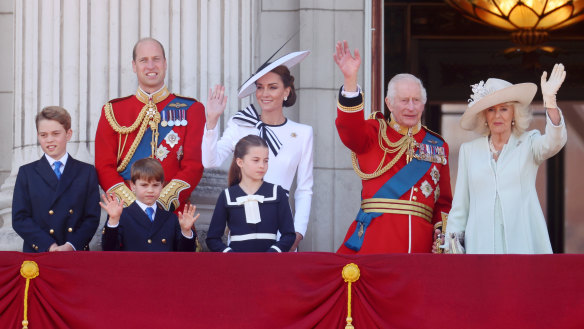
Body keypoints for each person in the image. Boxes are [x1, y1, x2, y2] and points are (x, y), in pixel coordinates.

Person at [333, 40, 453, 254]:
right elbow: (349, 128)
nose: (411, 107)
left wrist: (440, 236)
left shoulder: (437, 145)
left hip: (421, 248)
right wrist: (350, 80)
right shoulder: (373, 133)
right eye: (404, 100)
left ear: (424, 104)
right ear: (389, 103)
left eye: (416, 100)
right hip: (375, 243)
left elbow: (443, 203)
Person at [443, 64, 568, 254]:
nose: (497, 116)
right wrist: (453, 248)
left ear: (513, 114)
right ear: (484, 116)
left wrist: (550, 101)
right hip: (480, 246)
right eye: (491, 110)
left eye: (504, 109)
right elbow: (460, 206)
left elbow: (554, 142)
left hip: (522, 244)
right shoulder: (469, 151)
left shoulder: (529, 143)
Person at [203, 51, 313, 251]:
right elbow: (210, 161)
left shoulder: (303, 133)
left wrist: (297, 233)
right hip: (242, 224)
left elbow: (304, 189)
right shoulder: (240, 124)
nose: (264, 94)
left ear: (287, 91)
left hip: (282, 228)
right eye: (260, 87)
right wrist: (211, 121)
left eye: (273, 87)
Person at [95, 37, 205, 213]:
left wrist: (160, 204)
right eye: (143, 60)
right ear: (134, 66)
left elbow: (193, 166)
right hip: (126, 215)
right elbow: (104, 166)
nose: (151, 66)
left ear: (165, 63)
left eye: (156, 59)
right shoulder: (113, 111)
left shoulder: (192, 109)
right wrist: (134, 207)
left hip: (172, 216)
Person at [12, 106, 100, 252]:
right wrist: (49, 245)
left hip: (75, 253)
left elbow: (91, 217)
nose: (49, 140)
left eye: (55, 133)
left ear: (68, 134)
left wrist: (71, 245)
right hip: (40, 252)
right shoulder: (26, 173)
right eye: (43, 135)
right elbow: (20, 218)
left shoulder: (86, 172)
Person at [206, 135, 296, 252]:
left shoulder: (277, 192)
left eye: (266, 161)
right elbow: (212, 239)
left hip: (270, 266)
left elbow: (289, 235)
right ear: (240, 162)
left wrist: (273, 253)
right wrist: (231, 255)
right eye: (256, 160)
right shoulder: (227, 196)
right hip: (238, 266)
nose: (262, 166)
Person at [100, 158, 199, 251]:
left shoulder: (171, 218)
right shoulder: (122, 216)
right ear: (133, 186)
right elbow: (109, 250)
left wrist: (186, 232)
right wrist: (112, 222)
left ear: (162, 186)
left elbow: (185, 256)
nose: (150, 190)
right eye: (144, 185)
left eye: (155, 185)